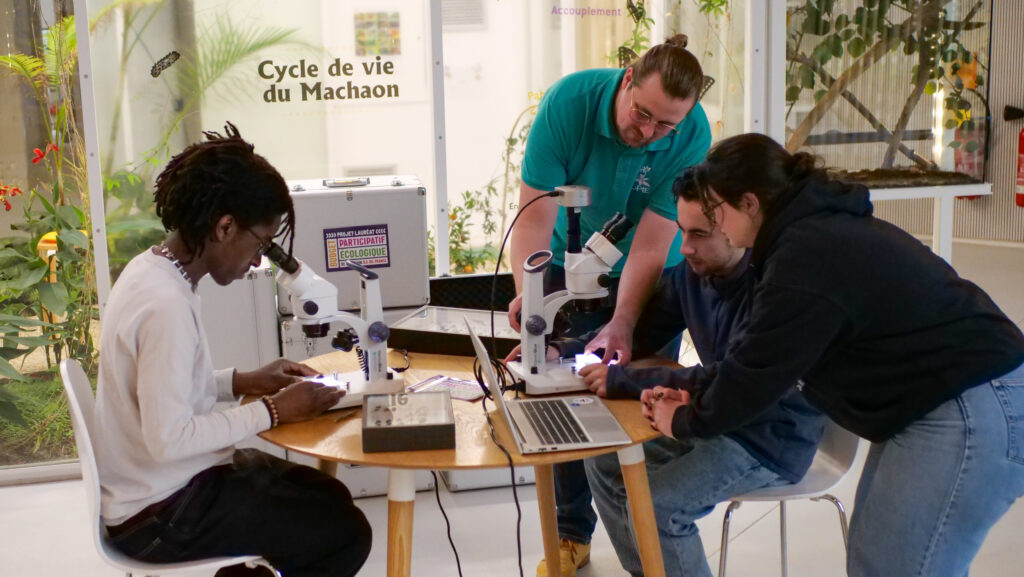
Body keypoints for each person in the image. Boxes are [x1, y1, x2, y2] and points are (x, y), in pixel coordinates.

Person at [647, 133, 1024, 577]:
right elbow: (752, 362)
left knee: (895, 568)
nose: (716, 225)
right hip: (942, 402)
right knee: (875, 562)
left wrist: (684, 421)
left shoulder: (805, 252)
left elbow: (755, 374)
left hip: (972, 403)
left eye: (716, 212)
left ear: (749, 203)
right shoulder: (808, 236)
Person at [94, 123, 372, 577]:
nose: (259, 260)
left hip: (156, 487)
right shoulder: (166, 305)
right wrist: (274, 410)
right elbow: (168, 438)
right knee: (346, 532)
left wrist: (241, 381)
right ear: (225, 226)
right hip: (157, 515)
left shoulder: (154, 271)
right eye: (260, 243)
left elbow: (162, 391)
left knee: (330, 496)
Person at [541, 184, 824, 577]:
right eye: (682, 232)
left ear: (735, 227)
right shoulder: (691, 277)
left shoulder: (772, 291)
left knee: (661, 506)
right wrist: (561, 350)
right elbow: (636, 335)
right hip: (713, 417)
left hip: (767, 437)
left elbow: (728, 375)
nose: (685, 247)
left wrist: (624, 380)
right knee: (605, 455)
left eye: (699, 235)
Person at [507, 35, 712, 577]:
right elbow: (532, 218)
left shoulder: (691, 132)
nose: (649, 133)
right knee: (562, 394)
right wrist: (530, 295)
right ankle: (569, 534)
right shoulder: (568, 105)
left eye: (664, 126)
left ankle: (646, 529)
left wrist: (623, 321)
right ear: (626, 79)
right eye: (642, 114)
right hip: (564, 256)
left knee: (634, 392)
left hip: (650, 271)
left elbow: (651, 242)